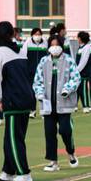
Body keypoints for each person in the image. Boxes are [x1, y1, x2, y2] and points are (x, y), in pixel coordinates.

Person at [0, 21, 34, 181]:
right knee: (12, 136)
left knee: (13, 138)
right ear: (12, 35)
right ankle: (8, 171)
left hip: (13, 99)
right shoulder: (20, 50)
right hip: (26, 97)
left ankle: (24, 172)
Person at [33, 34, 79, 171]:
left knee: (65, 130)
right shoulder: (43, 61)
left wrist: (68, 89)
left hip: (64, 103)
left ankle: (71, 152)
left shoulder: (69, 60)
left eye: (57, 45)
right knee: (49, 132)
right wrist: (39, 93)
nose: (54, 48)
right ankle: (53, 161)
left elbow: (76, 78)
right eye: (52, 45)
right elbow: (37, 80)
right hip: (48, 103)